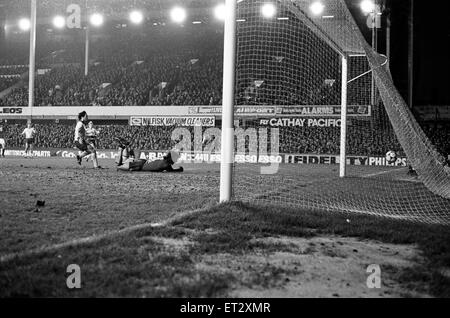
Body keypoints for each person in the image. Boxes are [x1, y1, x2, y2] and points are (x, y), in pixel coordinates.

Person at [117, 146, 183, 173]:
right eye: (176, 158)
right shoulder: (165, 164)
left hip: (142, 164)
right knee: (120, 166)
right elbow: (170, 170)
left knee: (124, 164)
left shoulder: (166, 163)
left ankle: (122, 148)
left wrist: (178, 170)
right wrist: (179, 170)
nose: (176, 160)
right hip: (141, 164)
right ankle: (122, 149)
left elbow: (170, 170)